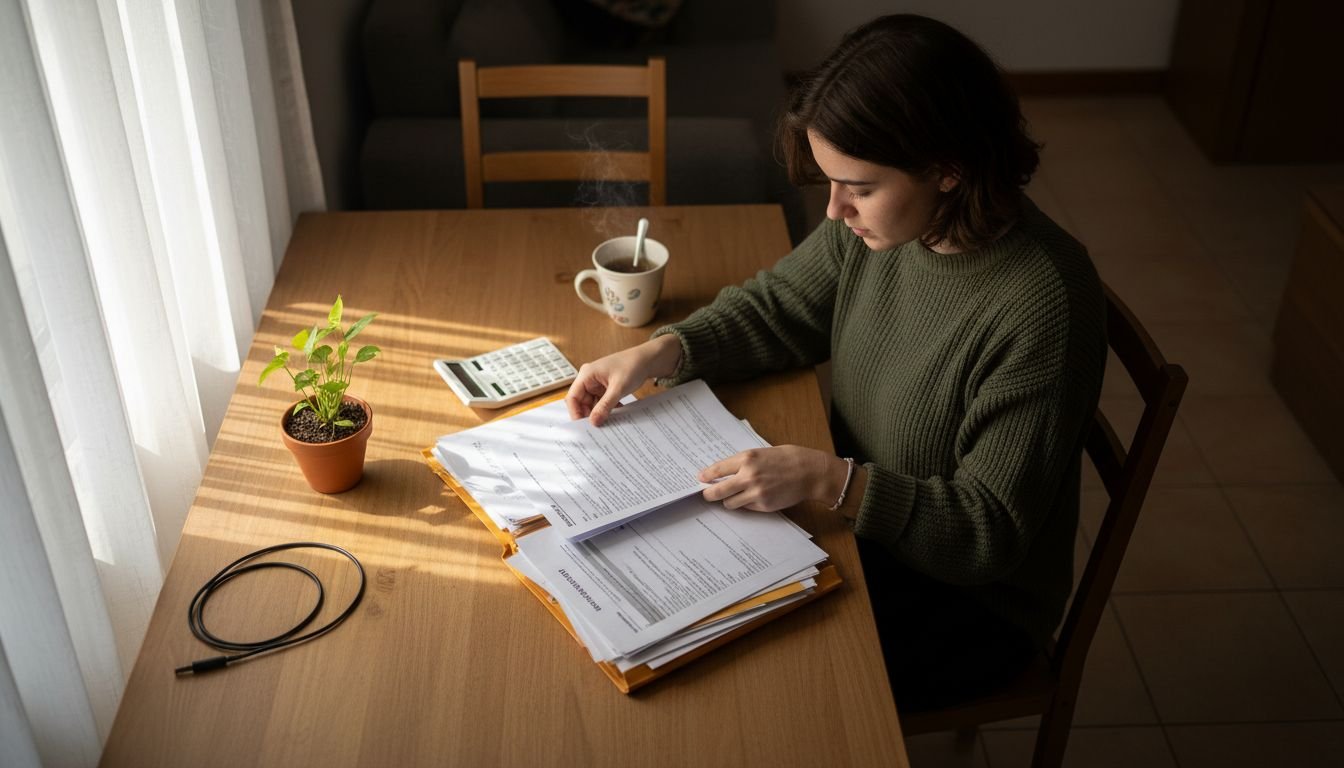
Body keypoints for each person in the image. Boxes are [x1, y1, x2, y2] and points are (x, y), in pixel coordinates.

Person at [564, 14, 1106, 711]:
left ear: (949, 168)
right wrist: (663, 348)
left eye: (859, 186)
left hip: (966, 602)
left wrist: (833, 481)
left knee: (739, 697)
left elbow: (986, 533)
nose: (835, 209)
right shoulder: (888, 226)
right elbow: (782, 306)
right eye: (829, 181)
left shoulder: (1044, 307)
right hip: (858, 526)